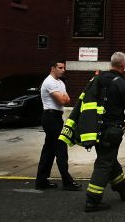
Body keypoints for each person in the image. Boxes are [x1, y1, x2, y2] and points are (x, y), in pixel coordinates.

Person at [84, 52, 125, 212]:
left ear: (111, 64)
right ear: (124, 65)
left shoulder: (98, 79)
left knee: (109, 159)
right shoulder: (122, 84)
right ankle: (92, 200)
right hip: (112, 131)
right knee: (104, 163)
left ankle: (123, 188)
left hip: (96, 129)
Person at [35, 61, 81, 191]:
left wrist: (64, 98)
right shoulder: (49, 82)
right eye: (60, 68)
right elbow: (62, 100)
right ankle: (67, 182)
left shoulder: (60, 83)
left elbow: (68, 99)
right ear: (53, 68)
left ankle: (41, 181)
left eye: (64, 68)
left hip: (56, 117)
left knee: (49, 150)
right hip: (50, 117)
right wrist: (63, 97)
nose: (63, 70)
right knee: (61, 148)